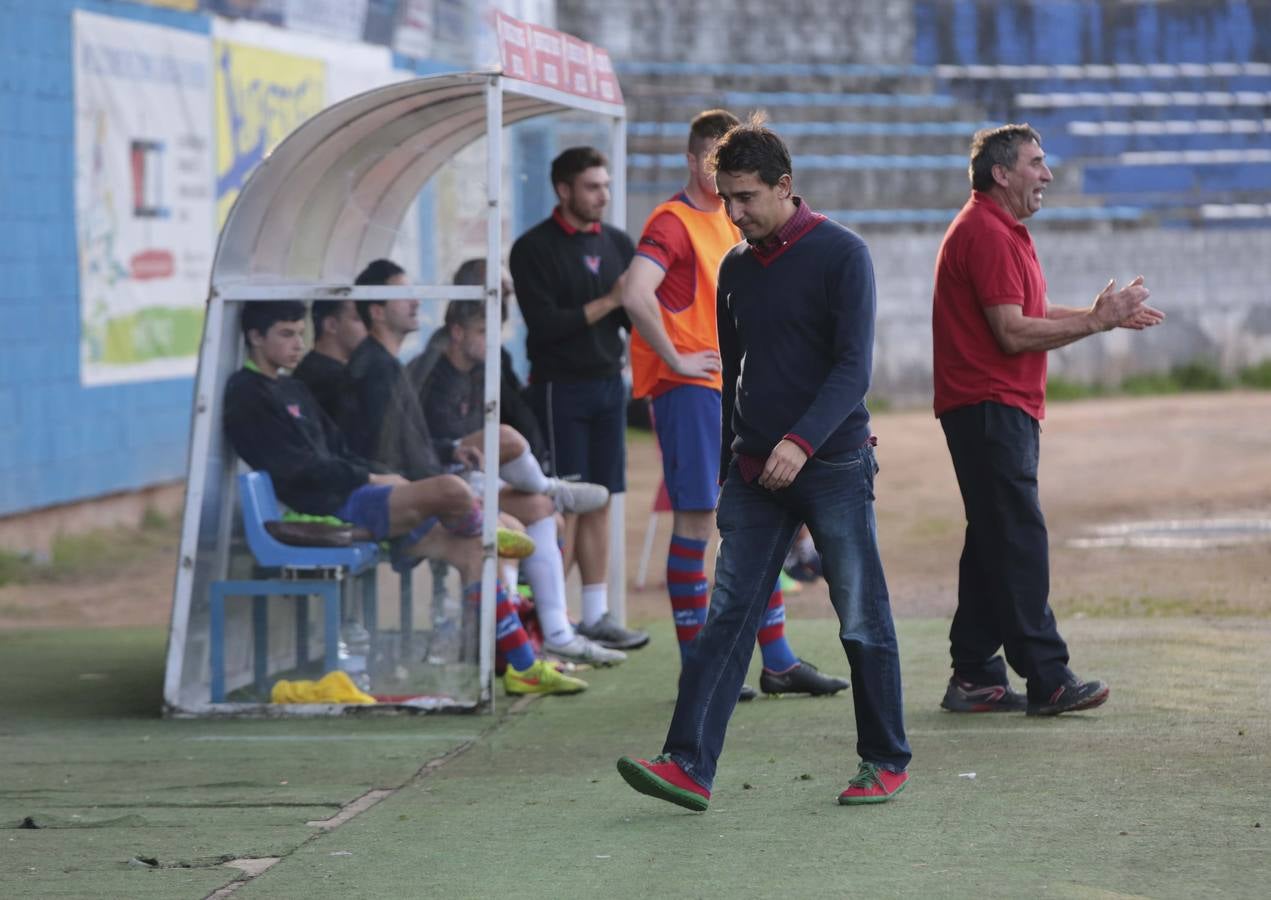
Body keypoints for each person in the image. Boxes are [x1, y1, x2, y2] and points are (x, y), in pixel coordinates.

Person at [617, 117, 912, 810]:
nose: (734, 212)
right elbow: (734, 376)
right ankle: (687, 764)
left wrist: (799, 443)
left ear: (785, 186)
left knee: (859, 617)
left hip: (832, 465)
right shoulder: (734, 268)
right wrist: (729, 468)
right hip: (753, 475)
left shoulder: (844, 254)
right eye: (725, 199)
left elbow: (851, 370)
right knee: (726, 619)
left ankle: (884, 759)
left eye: (745, 197)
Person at [222, 300, 586, 696]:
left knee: (471, 555)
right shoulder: (246, 394)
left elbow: (338, 450)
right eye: (286, 334)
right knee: (452, 491)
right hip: (328, 507)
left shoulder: (292, 386)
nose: (297, 344)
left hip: (357, 495)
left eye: (299, 333)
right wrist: (373, 475)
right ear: (256, 337)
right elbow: (296, 468)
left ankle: (522, 668)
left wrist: (379, 473)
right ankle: (488, 530)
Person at [931, 124, 1164, 716]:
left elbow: (1025, 313)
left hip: (993, 406)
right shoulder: (986, 231)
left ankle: (975, 675)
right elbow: (1012, 333)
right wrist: (1095, 322)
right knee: (1017, 537)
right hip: (988, 405)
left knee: (993, 538)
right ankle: (1049, 677)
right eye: (1036, 163)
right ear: (1001, 173)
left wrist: (1099, 315)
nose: (1049, 174)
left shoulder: (1000, 229)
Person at [621, 108, 848, 699]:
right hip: (689, 392)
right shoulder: (672, 222)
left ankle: (776, 660)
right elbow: (633, 291)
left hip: (728, 391)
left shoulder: (731, 222)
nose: (738, 203)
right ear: (701, 161)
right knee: (698, 521)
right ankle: (699, 666)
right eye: (726, 177)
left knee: (755, 521)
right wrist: (674, 358)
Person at [347, 259, 625, 668]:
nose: (414, 302)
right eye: (484, 324)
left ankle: (553, 633)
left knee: (541, 510)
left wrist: (451, 455)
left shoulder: (474, 365)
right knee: (507, 519)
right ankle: (507, 646)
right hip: (426, 490)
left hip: (455, 477)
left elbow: (513, 416)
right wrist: (445, 457)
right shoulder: (408, 367)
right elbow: (391, 450)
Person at [510, 146, 647, 651]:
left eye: (606, 186)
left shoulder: (617, 242)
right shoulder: (532, 249)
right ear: (563, 190)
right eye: (592, 187)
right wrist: (611, 300)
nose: (603, 196)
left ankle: (595, 615)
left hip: (610, 386)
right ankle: (551, 626)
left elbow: (636, 316)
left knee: (602, 499)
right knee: (562, 502)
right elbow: (546, 329)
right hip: (557, 389)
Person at [292, 299, 365, 417]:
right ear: (331, 325)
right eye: (359, 319)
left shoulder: (309, 369)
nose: (369, 328)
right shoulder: (332, 381)